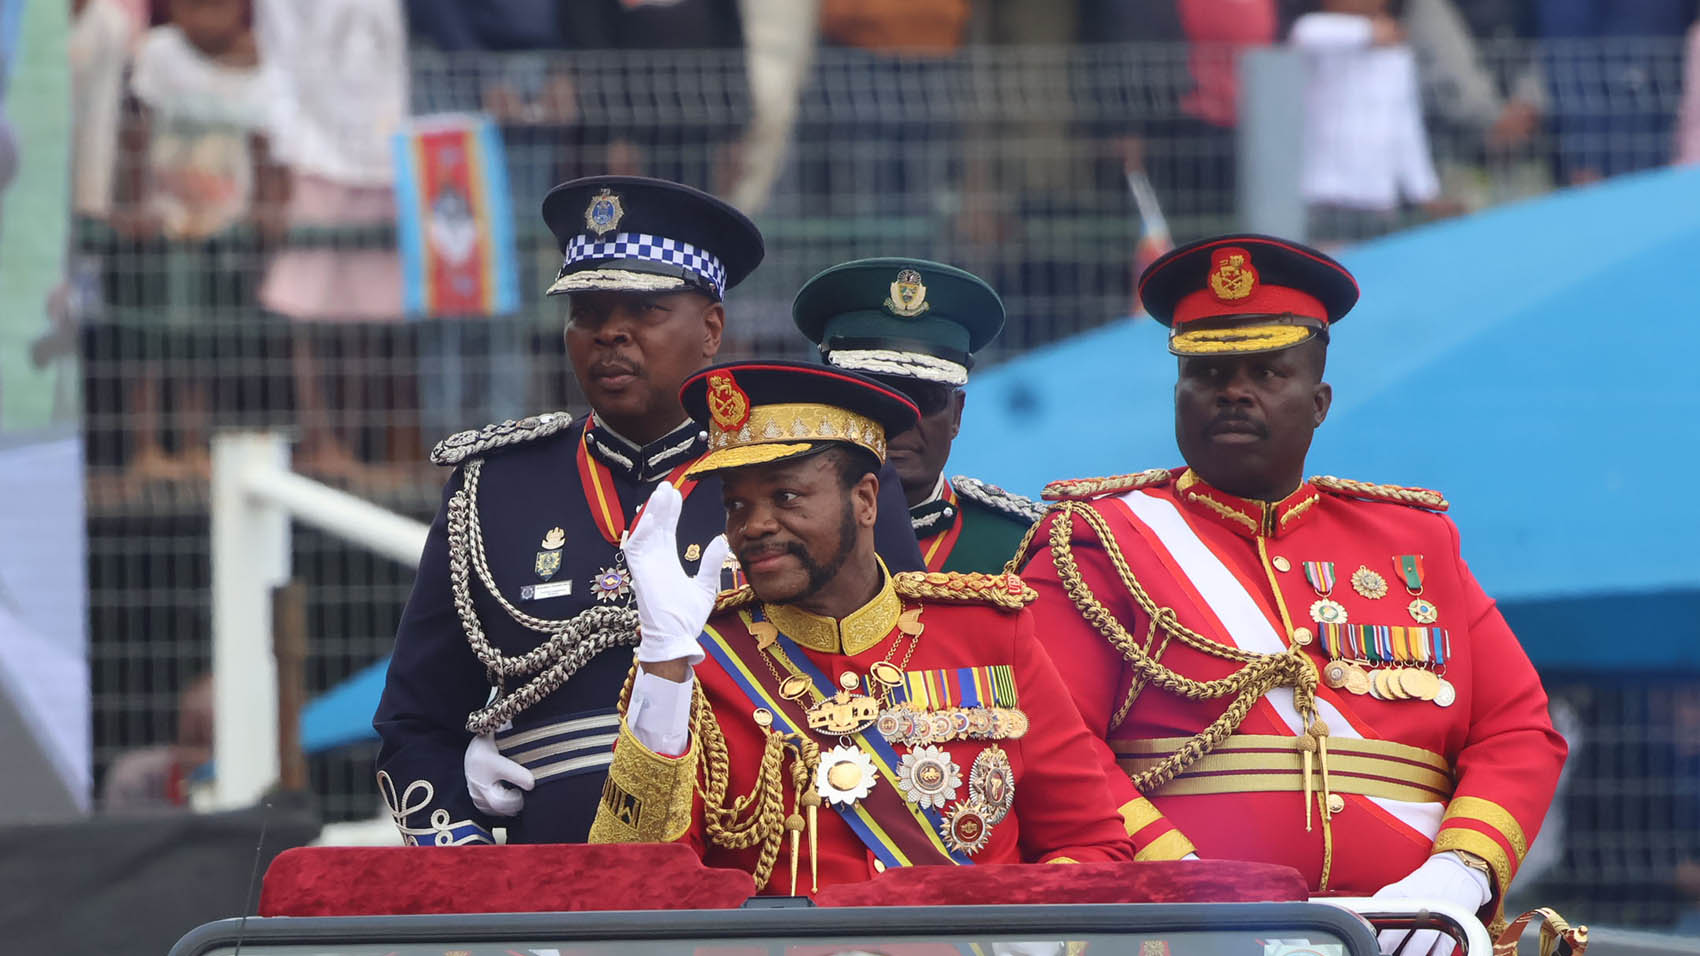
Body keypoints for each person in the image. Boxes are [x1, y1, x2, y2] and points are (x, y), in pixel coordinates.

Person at [1019, 234, 1566, 953]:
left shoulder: (1415, 543)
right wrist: (1176, 881)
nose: (1232, 391)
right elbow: (1055, 743)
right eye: (1206, 372)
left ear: (1319, 402)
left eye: (1267, 372)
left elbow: (1518, 731)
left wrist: (1456, 877)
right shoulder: (1099, 540)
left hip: (1410, 936)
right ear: (1177, 393)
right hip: (1184, 937)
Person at [373, 176, 924, 846]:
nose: (610, 333)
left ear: (711, 328)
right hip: (551, 873)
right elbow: (414, 723)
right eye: (586, 312)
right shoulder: (495, 486)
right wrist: (462, 845)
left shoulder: (812, 474)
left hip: (764, 857)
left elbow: (906, 665)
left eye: (644, 309)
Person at [588, 361, 1136, 894]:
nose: (753, 526)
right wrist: (664, 665)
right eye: (736, 504)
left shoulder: (989, 634)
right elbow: (629, 885)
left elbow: (1091, 845)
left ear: (866, 499)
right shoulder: (697, 662)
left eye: (785, 497)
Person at [793, 258, 1042, 573]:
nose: (900, 424)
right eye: (873, 399)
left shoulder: (1019, 549)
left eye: (923, 399)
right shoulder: (786, 538)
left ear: (957, 415)